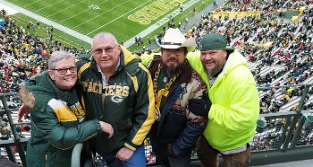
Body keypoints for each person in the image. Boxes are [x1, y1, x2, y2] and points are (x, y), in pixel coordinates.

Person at [19, 51, 114, 167]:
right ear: (51, 74)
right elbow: (61, 139)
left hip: (76, 156)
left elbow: (91, 54)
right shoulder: (41, 103)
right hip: (49, 163)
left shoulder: (71, 86)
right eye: (62, 70)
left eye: (72, 68)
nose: (69, 73)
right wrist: (97, 125)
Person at [76, 32, 155, 166]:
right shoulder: (82, 69)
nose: (104, 54)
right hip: (95, 143)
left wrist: (130, 145)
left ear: (118, 48)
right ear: (92, 53)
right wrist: (29, 95)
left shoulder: (138, 72)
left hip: (127, 143)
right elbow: (51, 76)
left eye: (108, 49)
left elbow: (147, 114)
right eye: (98, 51)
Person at [187, 33, 260, 167]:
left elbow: (245, 119)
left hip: (234, 143)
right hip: (209, 136)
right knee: (205, 158)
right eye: (203, 53)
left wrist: (209, 110)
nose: (207, 58)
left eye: (213, 53)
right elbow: (178, 56)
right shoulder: (201, 61)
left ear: (225, 53)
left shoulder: (241, 78)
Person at [143, 28, 208, 166]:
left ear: (185, 53)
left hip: (176, 149)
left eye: (178, 50)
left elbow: (196, 123)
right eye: (167, 50)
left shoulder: (195, 83)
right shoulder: (152, 66)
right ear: (161, 52)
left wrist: (176, 149)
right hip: (155, 140)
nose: (172, 55)